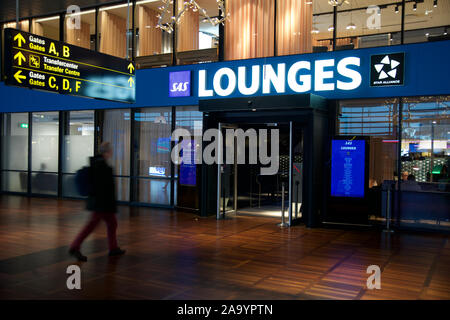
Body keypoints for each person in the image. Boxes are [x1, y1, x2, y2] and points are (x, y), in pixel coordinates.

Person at [69, 142, 125, 262]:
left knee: (111, 224)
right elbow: (105, 187)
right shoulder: (102, 166)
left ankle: (113, 247)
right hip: (102, 204)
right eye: (110, 150)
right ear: (107, 151)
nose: (111, 152)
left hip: (99, 203)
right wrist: (110, 204)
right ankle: (75, 246)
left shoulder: (97, 163)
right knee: (93, 225)